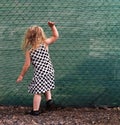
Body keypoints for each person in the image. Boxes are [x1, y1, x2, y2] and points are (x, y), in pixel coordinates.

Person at [16, 21, 59, 116]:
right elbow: (55, 36)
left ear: (29, 37)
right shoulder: (45, 44)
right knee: (46, 86)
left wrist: (21, 75)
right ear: (41, 35)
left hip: (40, 73)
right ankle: (49, 103)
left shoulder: (30, 51)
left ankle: (35, 110)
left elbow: (26, 65)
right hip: (49, 71)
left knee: (37, 91)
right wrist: (52, 27)